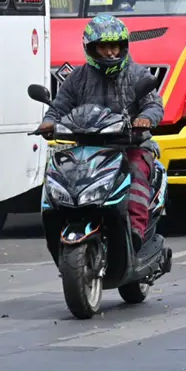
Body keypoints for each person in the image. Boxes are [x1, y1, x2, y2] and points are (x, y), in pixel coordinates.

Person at [37, 13, 164, 250]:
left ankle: (135, 231)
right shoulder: (77, 78)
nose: (110, 52)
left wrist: (145, 118)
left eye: (114, 46)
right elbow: (60, 106)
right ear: (91, 49)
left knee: (136, 171)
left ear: (123, 46)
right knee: (59, 172)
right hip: (89, 148)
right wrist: (49, 122)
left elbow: (153, 104)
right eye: (103, 47)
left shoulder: (137, 74)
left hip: (130, 146)